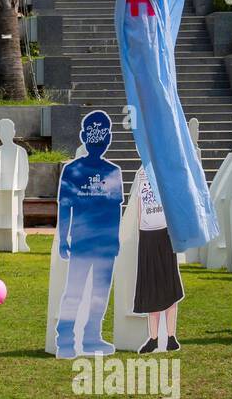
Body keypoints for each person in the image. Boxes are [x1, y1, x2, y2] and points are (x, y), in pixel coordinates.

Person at [55, 110, 124, 356]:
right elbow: (64, 207)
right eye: (94, 133)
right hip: (82, 242)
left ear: (108, 139)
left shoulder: (113, 171)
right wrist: (63, 239)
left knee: (100, 293)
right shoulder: (72, 170)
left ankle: (92, 336)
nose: (98, 140)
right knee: (74, 290)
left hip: (105, 243)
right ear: (84, 136)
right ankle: (64, 337)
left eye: (102, 134)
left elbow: (116, 209)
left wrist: (116, 239)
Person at [133, 166, 183, 353]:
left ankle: (171, 336)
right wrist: (141, 229)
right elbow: (140, 201)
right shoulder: (142, 173)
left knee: (169, 285)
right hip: (147, 234)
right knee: (150, 287)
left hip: (165, 232)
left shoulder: (166, 169)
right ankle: (153, 337)